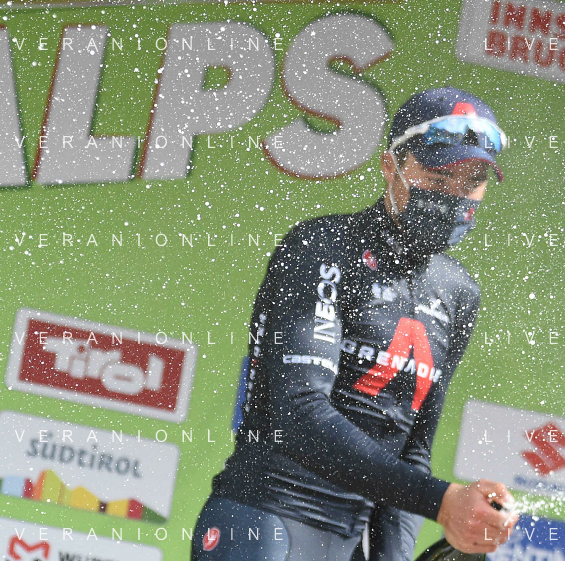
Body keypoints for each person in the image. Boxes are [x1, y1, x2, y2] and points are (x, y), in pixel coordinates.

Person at [191, 87, 519, 561]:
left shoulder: (459, 293)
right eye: (436, 176)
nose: (452, 196)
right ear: (390, 166)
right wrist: (440, 502)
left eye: (471, 182)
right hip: (266, 519)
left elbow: (413, 451)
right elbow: (299, 413)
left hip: (353, 543)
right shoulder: (320, 247)